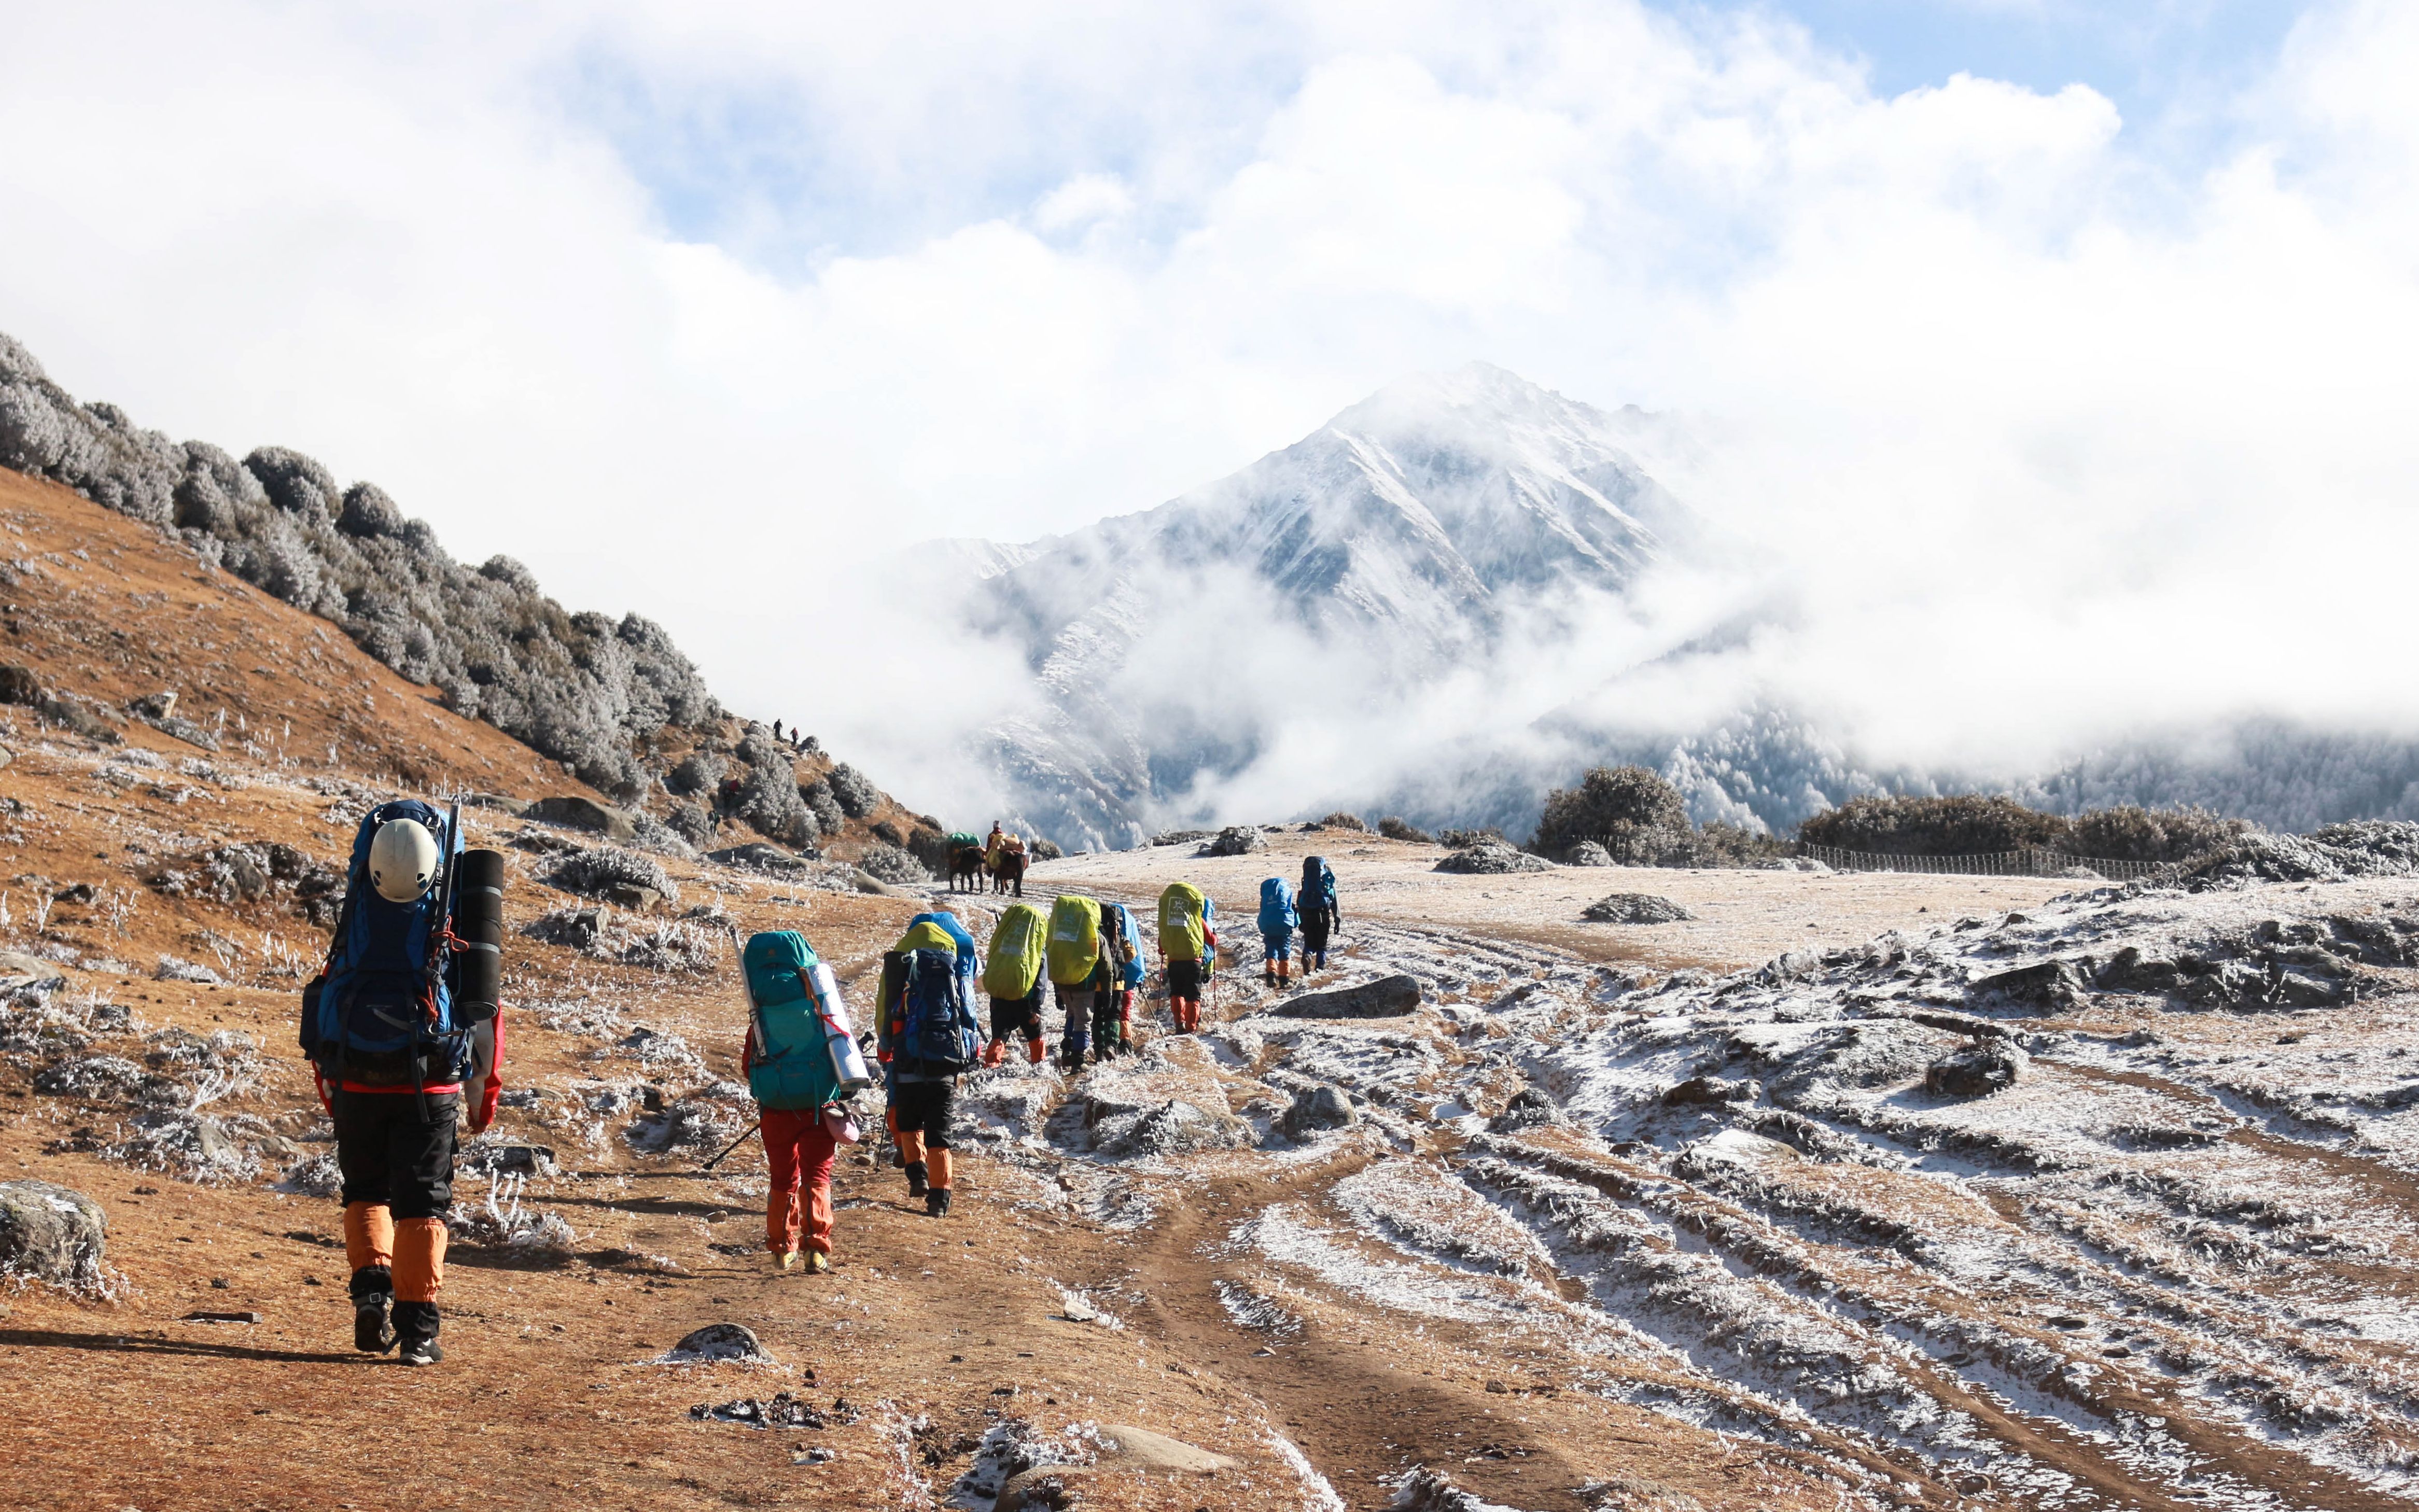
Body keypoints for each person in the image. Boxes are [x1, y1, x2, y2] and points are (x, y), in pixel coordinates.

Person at [308, 804, 502, 1368]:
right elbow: (484, 1018)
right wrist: (481, 1100)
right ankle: (417, 1332)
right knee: (423, 1205)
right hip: (430, 1087)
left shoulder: (361, 916)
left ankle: (371, 1289)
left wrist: (332, 1083)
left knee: (364, 1191)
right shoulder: (453, 923)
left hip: (355, 1076)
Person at [739, 930, 846, 1273]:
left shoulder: (760, 1021)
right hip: (818, 1108)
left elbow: (748, 1068)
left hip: (775, 1111)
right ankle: (816, 1249)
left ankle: (781, 1250)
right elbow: (844, 1061)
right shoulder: (822, 1013)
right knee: (817, 1175)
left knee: (782, 1178)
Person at [877, 912, 981, 1216]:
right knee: (940, 1135)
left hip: (908, 1064)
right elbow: (969, 1018)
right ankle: (939, 1199)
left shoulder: (901, 969)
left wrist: (886, 1048)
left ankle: (917, 1174)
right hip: (944, 1066)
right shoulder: (954, 974)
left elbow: (887, 1013)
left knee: (910, 1125)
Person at [980, 900, 1049, 1067]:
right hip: (1025, 1000)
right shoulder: (1037, 951)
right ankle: (1039, 1068)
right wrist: (1037, 1008)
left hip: (999, 996)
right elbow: (1041, 982)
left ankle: (990, 1066)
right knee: (1034, 1036)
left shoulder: (1001, 943)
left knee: (999, 1036)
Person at [1046, 893, 1106, 1070]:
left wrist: (1057, 989)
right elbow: (1107, 967)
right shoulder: (1095, 936)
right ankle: (1078, 1061)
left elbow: (1054, 958)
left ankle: (1067, 1051)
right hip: (1085, 985)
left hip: (1064, 984)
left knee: (1071, 1015)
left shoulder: (1062, 936)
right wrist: (1107, 992)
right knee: (1083, 1021)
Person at [1156, 881, 1217, 1034]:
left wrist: (1164, 949)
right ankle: (1191, 1028)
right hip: (1193, 960)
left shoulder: (1169, 922)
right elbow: (1212, 941)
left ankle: (1179, 1024)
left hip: (1175, 961)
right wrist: (1215, 936)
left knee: (1176, 993)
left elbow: (1162, 944)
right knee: (1193, 996)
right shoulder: (1196, 920)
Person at [1298, 855, 1341, 975]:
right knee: (1322, 946)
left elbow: (1300, 902)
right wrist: (1337, 920)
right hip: (1323, 916)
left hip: (1307, 915)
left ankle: (1307, 956)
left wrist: (1301, 921)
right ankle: (1320, 969)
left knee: (1309, 943)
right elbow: (1335, 902)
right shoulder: (1327, 883)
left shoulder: (1306, 883)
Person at [1258, 875, 1299, 986]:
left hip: (1269, 926)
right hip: (1284, 926)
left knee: (1271, 950)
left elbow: (1262, 914)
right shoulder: (1285, 894)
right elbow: (1293, 915)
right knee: (1284, 951)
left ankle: (1271, 974)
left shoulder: (1266, 898)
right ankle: (1283, 979)